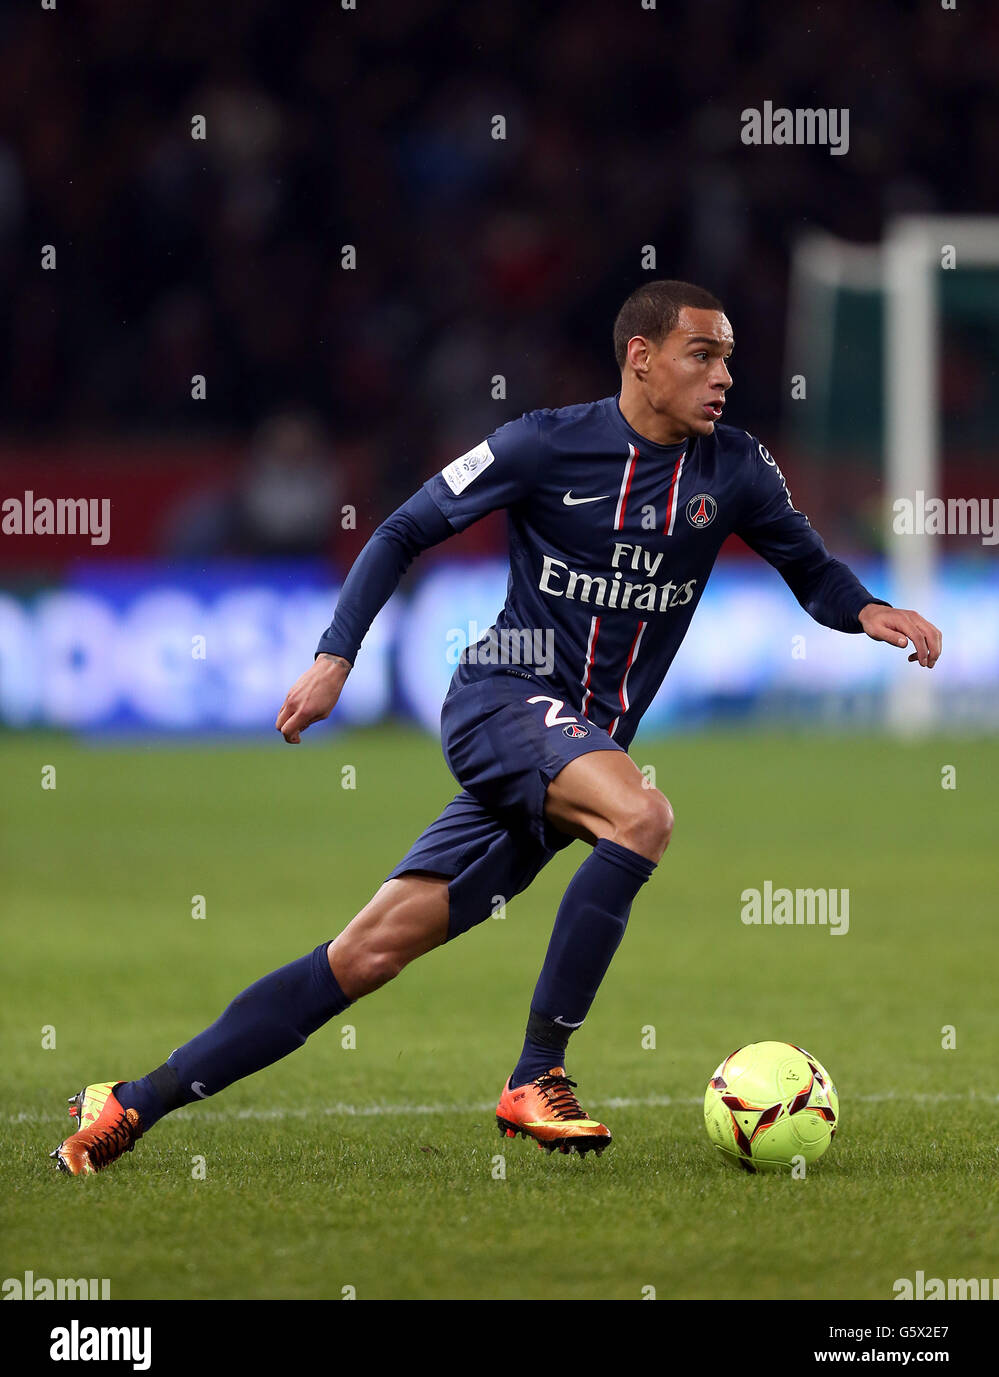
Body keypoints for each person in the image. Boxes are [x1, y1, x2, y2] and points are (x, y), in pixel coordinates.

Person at [52, 280, 942, 1173]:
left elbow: (813, 572)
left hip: (574, 753)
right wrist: (335, 657)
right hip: (501, 700)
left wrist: (867, 612)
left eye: (728, 359)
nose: (723, 377)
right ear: (641, 358)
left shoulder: (735, 470)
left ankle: (132, 1102)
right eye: (701, 355)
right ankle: (537, 1073)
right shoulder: (544, 444)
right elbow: (401, 529)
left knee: (364, 955)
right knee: (643, 817)